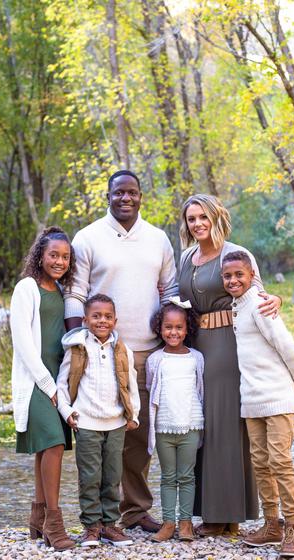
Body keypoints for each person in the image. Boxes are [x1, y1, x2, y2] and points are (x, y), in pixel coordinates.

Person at [63, 170, 176, 532]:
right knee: (99, 439)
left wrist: (172, 335)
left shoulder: (157, 239)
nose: (125, 199)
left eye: (132, 193)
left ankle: (135, 509)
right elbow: (76, 293)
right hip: (101, 352)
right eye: (118, 193)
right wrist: (76, 343)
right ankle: (98, 518)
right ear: (108, 196)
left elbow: (170, 288)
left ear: (141, 196)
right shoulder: (88, 237)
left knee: (139, 436)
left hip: (144, 351)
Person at [178, 194, 281, 536]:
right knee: (201, 424)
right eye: (191, 219)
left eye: (202, 217)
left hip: (228, 344)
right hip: (195, 345)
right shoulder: (186, 256)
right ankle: (208, 509)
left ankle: (228, 515)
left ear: (215, 216)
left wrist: (276, 299)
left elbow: (259, 294)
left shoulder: (235, 252)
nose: (197, 224)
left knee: (223, 425)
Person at [222, 251, 294, 557]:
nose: (233, 280)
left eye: (239, 275)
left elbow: (288, 346)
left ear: (252, 276)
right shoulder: (237, 307)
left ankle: (293, 527)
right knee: (260, 463)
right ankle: (272, 525)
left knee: (280, 462)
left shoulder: (260, 304)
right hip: (252, 400)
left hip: (278, 397)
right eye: (227, 276)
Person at [10, 226, 76, 551]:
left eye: (65, 256)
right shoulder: (26, 288)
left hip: (57, 380)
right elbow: (23, 343)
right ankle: (54, 522)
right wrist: (47, 384)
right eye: (53, 255)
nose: (59, 261)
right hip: (36, 380)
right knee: (52, 444)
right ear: (41, 254)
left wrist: (62, 384)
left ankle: (37, 519)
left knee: (48, 449)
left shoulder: (62, 290)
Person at [56, 293, 140, 547]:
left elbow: (131, 384)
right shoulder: (78, 348)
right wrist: (67, 411)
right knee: (90, 476)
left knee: (112, 476)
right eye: (96, 316)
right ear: (85, 319)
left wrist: (133, 414)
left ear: (115, 320)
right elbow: (62, 383)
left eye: (107, 317)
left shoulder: (123, 349)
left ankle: (110, 526)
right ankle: (91, 527)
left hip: (115, 423)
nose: (102, 321)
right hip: (86, 422)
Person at [146, 300, 204, 543]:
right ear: (160, 328)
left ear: (187, 328)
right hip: (163, 426)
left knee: (187, 476)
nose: (174, 332)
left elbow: (200, 390)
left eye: (179, 327)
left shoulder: (197, 358)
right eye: (168, 327)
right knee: (168, 476)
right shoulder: (155, 359)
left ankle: (186, 523)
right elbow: (151, 388)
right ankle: (168, 523)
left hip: (190, 424)